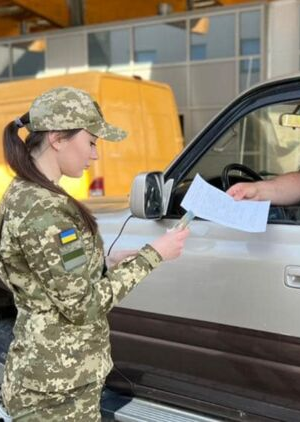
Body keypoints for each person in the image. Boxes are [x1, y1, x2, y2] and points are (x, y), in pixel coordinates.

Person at [0, 86, 189, 421]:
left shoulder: (29, 194)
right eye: (90, 142)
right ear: (58, 138)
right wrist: (153, 255)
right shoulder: (46, 211)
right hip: (58, 390)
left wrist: (104, 262)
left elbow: (41, 272)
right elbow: (83, 306)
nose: (95, 154)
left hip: (54, 377)